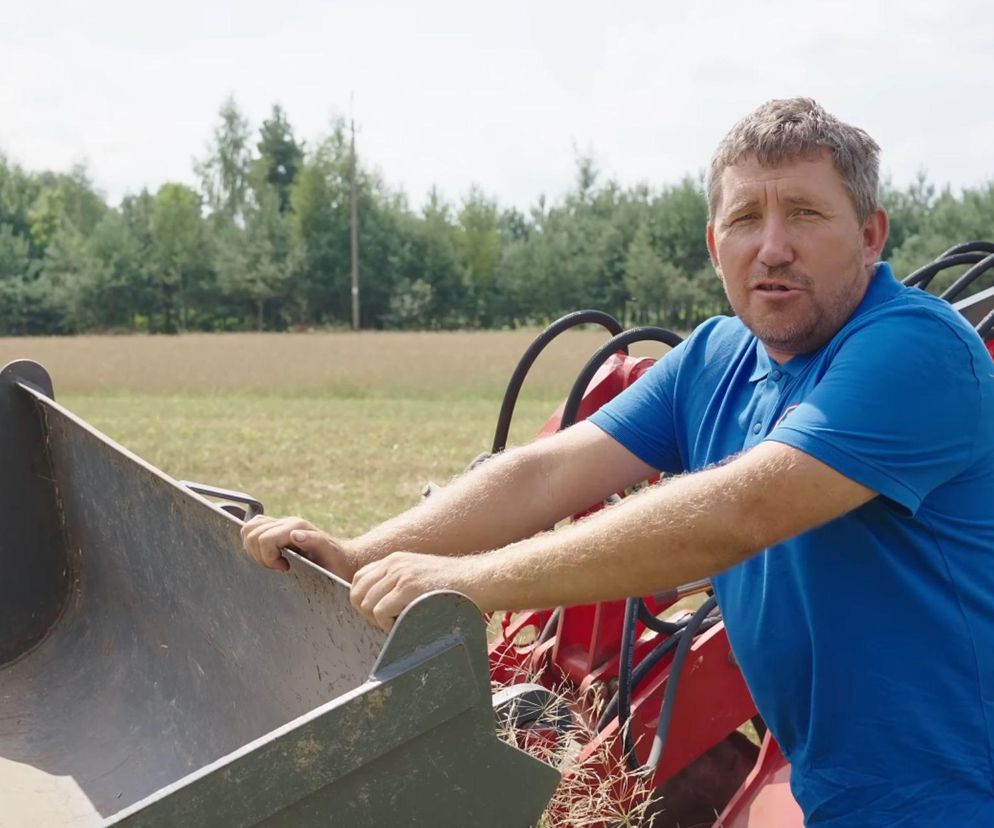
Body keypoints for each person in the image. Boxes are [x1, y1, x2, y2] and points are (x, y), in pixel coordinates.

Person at [242, 98, 994, 825]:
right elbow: (544, 472)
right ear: (712, 244)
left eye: (804, 213)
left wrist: (464, 583)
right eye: (744, 219)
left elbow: (740, 512)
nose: (771, 246)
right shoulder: (717, 358)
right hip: (847, 799)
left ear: (870, 234)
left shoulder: (917, 351)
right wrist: (357, 554)